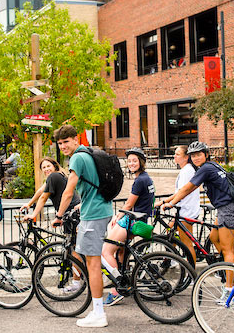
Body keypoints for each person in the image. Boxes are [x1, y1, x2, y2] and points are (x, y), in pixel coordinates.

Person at [157, 141, 234, 299]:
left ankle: (230, 289)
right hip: (223, 208)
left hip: (228, 209)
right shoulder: (210, 166)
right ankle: (224, 268)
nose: (195, 158)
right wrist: (167, 201)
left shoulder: (206, 168)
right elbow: (185, 189)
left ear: (206, 155)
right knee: (213, 238)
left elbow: (187, 189)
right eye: (193, 155)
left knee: (227, 249)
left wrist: (171, 203)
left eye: (199, 154)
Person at [51, 125, 113, 328]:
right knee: (95, 258)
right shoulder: (88, 154)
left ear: (75, 139)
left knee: (92, 265)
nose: (63, 147)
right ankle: (115, 279)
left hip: (94, 214)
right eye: (59, 144)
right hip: (100, 208)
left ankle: (98, 313)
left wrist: (59, 216)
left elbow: (68, 191)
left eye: (66, 142)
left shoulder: (77, 158)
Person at [101, 148, 155, 307]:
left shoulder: (139, 181)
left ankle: (118, 288)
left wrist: (118, 216)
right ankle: (125, 277)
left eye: (134, 160)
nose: (131, 163)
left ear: (141, 162)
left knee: (106, 251)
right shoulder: (147, 178)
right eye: (129, 160)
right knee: (121, 250)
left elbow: (130, 204)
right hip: (142, 220)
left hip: (132, 221)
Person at [21, 157, 81, 222]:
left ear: (54, 166)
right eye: (44, 167)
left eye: (48, 166)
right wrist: (29, 204)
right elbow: (41, 190)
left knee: (71, 232)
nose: (46, 169)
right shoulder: (58, 175)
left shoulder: (53, 176)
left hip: (70, 213)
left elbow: (43, 197)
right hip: (73, 212)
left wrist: (33, 215)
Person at [168, 145, 200, 264]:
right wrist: (165, 201)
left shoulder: (187, 171)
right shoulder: (186, 170)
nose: (174, 156)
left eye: (177, 154)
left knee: (187, 244)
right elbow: (179, 192)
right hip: (185, 210)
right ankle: (172, 259)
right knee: (169, 229)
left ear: (186, 157)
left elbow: (183, 192)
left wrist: (169, 203)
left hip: (187, 211)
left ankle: (192, 274)